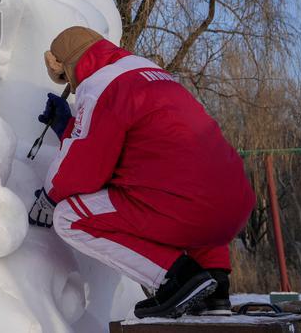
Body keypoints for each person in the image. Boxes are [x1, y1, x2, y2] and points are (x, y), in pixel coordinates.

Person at [28, 26, 255, 319]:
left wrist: (50, 196)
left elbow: (86, 169)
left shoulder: (101, 84)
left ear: (68, 65)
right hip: (232, 207)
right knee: (194, 184)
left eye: (66, 79)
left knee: (68, 216)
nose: (70, 87)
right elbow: (129, 146)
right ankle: (215, 287)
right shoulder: (149, 73)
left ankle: (176, 279)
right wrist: (68, 128)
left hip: (185, 207)